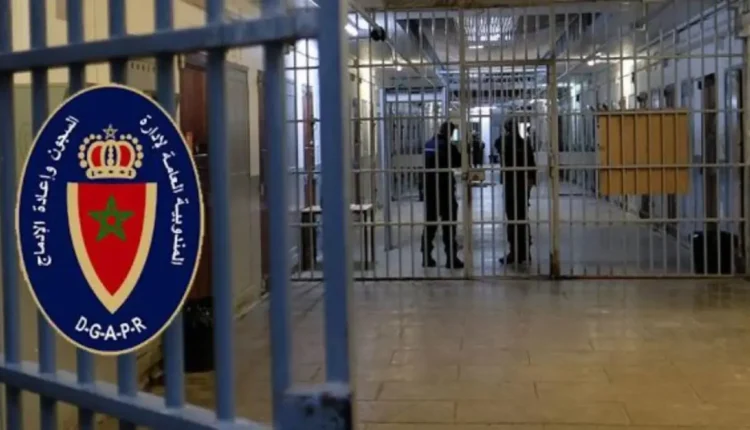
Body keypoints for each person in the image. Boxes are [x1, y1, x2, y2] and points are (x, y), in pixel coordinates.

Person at [421, 121, 464, 269]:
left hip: (430, 189)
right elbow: (458, 162)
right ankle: (451, 258)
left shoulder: (428, 144)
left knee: (430, 224)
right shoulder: (447, 146)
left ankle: (426, 256)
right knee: (449, 225)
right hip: (445, 189)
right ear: (450, 132)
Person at [495, 117, 536, 265]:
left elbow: (497, 144)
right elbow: (532, 165)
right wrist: (530, 185)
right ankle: (525, 252)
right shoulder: (525, 144)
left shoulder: (503, 142)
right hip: (522, 184)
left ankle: (515, 253)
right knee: (523, 218)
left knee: (513, 219)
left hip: (510, 183)